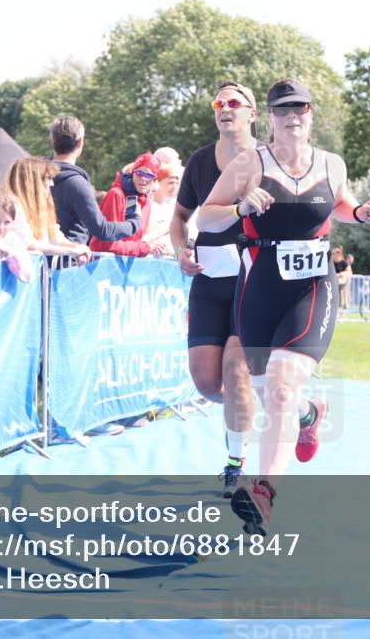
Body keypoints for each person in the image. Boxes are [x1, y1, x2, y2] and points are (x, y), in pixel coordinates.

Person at [198, 78, 370, 534]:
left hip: (312, 288)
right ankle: (310, 415)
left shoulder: (332, 163)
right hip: (259, 287)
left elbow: (337, 203)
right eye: (283, 110)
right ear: (271, 117)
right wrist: (241, 207)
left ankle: (263, 494)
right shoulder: (249, 163)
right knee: (271, 394)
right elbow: (206, 215)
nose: (292, 116)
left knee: (280, 386)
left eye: (300, 108)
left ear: (311, 113)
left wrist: (359, 213)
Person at [170, 81, 260, 498]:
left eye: (234, 103)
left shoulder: (268, 159)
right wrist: (178, 250)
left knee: (237, 371)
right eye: (219, 103)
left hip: (253, 281)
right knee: (208, 384)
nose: (225, 109)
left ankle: (235, 465)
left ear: (252, 114)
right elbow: (180, 218)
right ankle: (294, 408)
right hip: (208, 280)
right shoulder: (201, 161)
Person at [48, 115, 141, 245]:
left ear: (52, 141)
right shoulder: (77, 184)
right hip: (70, 260)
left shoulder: (35, 176)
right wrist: (134, 222)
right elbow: (102, 229)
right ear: (80, 142)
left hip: (37, 259)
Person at [5, 157, 91, 258]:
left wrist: (78, 247)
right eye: (48, 178)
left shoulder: (38, 209)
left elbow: (56, 238)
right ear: (33, 181)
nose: (52, 183)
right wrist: (71, 251)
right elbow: (28, 244)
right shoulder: (12, 206)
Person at [89, 152, 169, 257]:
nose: (144, 179)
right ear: (132, 173)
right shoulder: (116, 194)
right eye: (140, 173)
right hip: (102, 265)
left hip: (126, 267)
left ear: (154, 180)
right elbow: (107, 244)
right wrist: (145, 247)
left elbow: (135, 241)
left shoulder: (146, 203)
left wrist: (150, 246)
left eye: (149, 175)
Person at [143, 156, 182, 255]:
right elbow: (142, 238)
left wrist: (181, 253)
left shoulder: (174, 208)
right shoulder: (146, 206)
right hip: (149, 260)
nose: (174, 187)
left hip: (171, 260)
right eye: (170, 183)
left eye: (177, 183)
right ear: (157, 183)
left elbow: (187, 236)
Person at [333, 246, 352, 314]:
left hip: (341, 284)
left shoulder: (344, 263)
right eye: (333, 253)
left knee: (342, 298)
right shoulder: (331, 263)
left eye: (336, 253)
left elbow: (349, 272)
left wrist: (340, 274)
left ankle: (342, 313)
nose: (334, 254)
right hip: (333, 284)